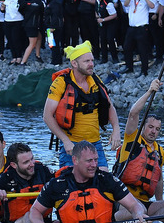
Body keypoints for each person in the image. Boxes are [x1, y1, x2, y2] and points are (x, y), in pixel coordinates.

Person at [44, 40, 121, 170]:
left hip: (95, 144)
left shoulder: (95, 80)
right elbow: (47, 116)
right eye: (86, 61)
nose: (91, 64)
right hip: (72, 145)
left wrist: (116, 130)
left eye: (92, 61)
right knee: (73, 186)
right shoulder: (61, 83)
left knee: (104, 180)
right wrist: (65, 141)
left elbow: (109, 107)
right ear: (74, 63)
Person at [115, 79, 164, 223]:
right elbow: (133, 113)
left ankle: (154, 221)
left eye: (157, 129)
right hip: (124, 201)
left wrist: (160, 203)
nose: (153, 131)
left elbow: (159, 179)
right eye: (150, 127)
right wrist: (150, 91)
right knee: (140, 209)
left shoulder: (159, 151)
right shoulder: (133, 140)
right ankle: (139, 220)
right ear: (143, 126)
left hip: (145, 203)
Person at [122, 0, 153, 76]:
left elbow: (152, 6)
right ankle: (129, 67)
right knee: (127, 47)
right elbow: (125, 4)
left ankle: (144, 70)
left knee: (142, 49)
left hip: (142, 28)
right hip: (132, 28)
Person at [95, 0, 118, 64]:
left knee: (110, 39)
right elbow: (96, 10)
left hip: (110, 23)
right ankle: (104, 58)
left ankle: (115, 57)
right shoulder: (98, 2)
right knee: (103, 40)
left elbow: (114, 15)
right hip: (102, 24)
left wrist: (103, 19)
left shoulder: (108, 3)